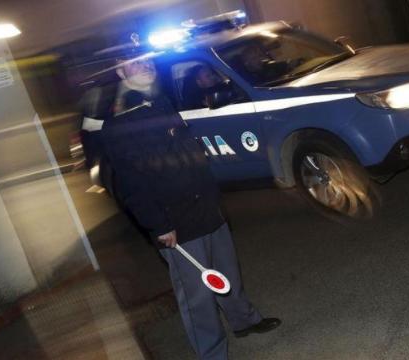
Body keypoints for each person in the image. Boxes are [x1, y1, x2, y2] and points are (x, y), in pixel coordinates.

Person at [101, 49, 281, 360]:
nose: (145, 66)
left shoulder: (160, 103)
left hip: (207, 206)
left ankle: (244, 320)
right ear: (120, 73)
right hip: (177, 220)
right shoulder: (119, 124)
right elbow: (132, 184)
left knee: (227, 272)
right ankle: (212, 354)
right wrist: (159, 225)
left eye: (147, 60)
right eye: (134, 64)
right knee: (197, 295)